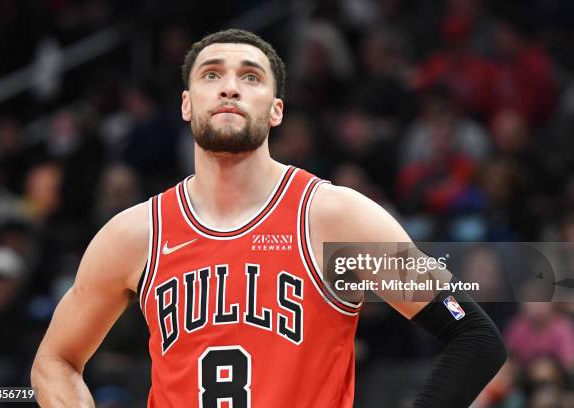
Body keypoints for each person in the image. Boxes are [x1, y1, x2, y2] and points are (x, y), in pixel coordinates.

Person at [31, 29, 506, 407]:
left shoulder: (335, 216)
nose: (231, 87)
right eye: (211, 75)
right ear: (186, 103)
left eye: (251, 77)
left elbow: (475, 337)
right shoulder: (134, 234)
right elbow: (55, 361)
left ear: (276, 111)